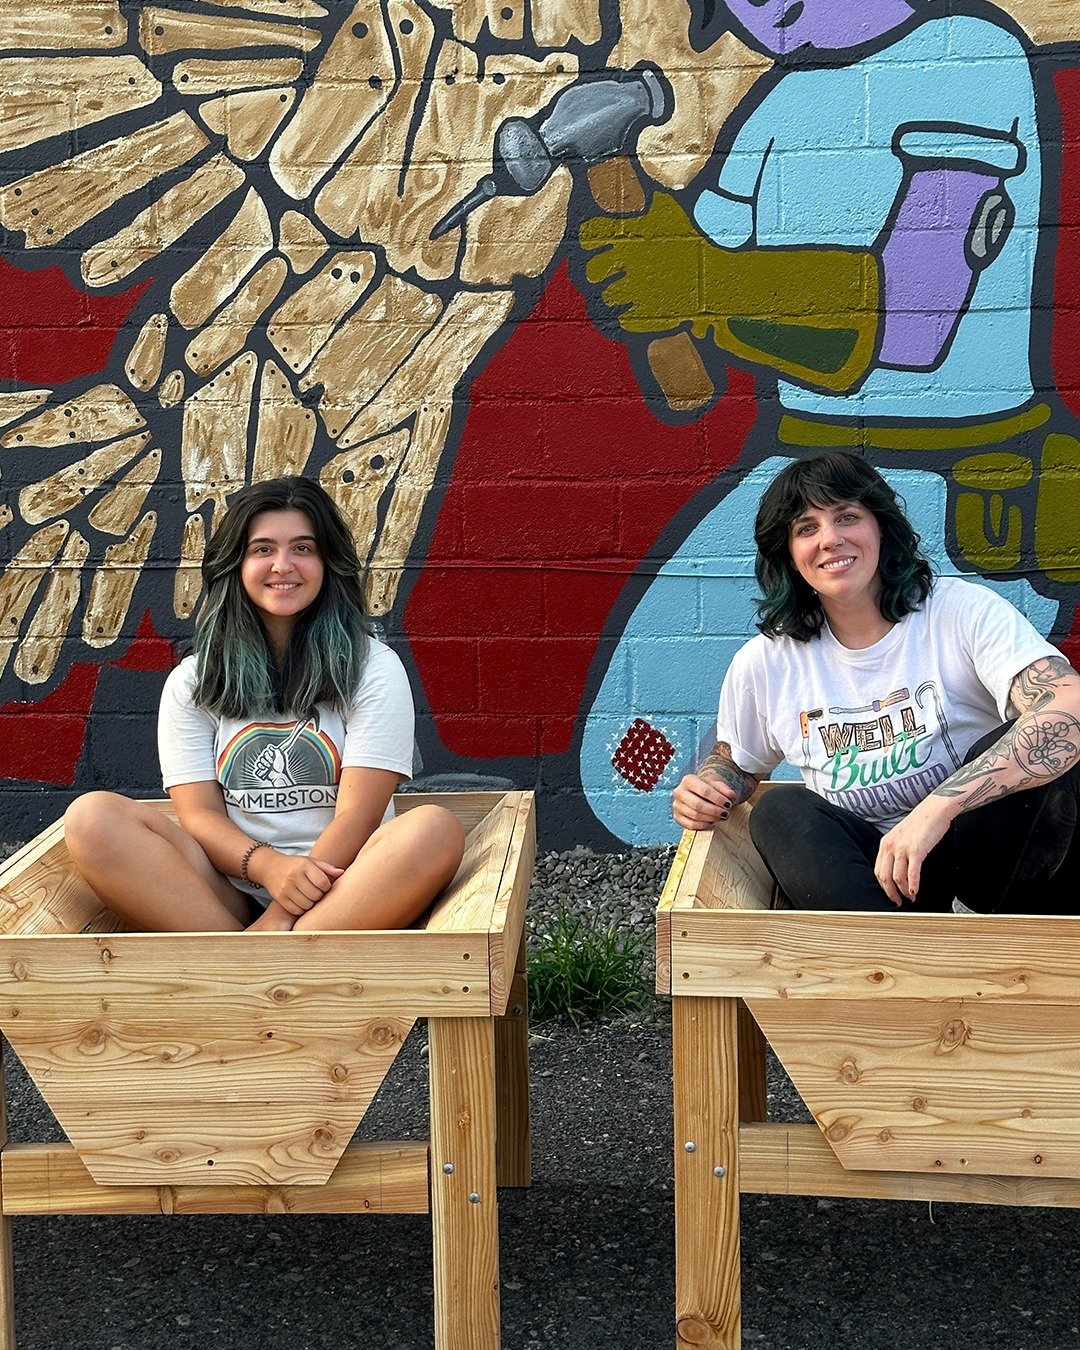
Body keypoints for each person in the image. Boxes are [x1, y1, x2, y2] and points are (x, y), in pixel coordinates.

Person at [671, 451, 1080, 913]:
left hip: (983, 869)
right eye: (806, 528)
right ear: (788, 554)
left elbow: (1069, 703)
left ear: (880, 528)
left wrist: (935, 811)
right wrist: (705, 788)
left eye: (847, 517)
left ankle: (973, 933)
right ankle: (893, 959)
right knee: (778, 811)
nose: (830, 539)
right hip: (877, 885)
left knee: (1037, 738)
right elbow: (738, 765)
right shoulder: (766, 663)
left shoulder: (959, 612)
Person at [64, 477, 465, 932]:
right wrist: (270, 869)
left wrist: (281, 914)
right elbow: (199, 815)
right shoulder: (194, 680)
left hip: (347, 886)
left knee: (434, 829)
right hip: (230, 890)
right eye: (262, 550)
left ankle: (246, 970)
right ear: (236, 564)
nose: (283, 565)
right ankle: (270, 969)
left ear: (327, 562)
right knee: (91, 818)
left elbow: (360, 814)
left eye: (303, 549)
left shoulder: (372, 667)